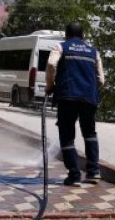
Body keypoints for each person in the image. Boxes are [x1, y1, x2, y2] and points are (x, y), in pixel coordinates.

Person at [45, 21, 106, 186]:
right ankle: (93, 171)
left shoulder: (61, 47)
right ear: (83, 35)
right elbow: (101, 79)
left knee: (67, 136)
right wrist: (91, 87)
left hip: (67, 97)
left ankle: (74, 174)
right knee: (90, 134)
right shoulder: (93, 51)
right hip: (89, 98)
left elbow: (51, 64)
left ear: (66, 34)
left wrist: (50, 86)